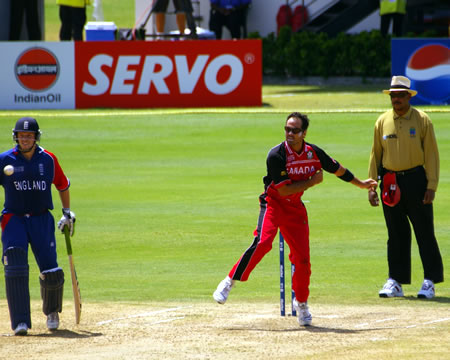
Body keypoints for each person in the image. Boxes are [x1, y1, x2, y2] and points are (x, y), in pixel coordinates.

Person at [213, 112, 377, 326]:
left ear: (304, 133)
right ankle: (229, 281)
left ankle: (301, 304)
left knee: (302, 260)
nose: (290, 133)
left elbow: (338, 170)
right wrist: (312, 182)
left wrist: (362, 184)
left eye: (295, 130)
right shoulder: (276, 155)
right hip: (273, 203)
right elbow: (284, 191)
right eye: (287, 129)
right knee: (263, 242)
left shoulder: (313, 152)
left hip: (295, 210)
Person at [368, 76, 443, 299]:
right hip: (390, 182)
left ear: (408, 97)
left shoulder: (422, 120)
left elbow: (431, 155)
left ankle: (430, 280)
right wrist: (372, 185)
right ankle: (396, 281)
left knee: (424, 231)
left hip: (416, 180)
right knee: (396, 233)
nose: (396, 99)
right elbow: (375, 155)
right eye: (393, 95)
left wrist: (431, 185)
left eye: (400, 95)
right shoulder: (382, 121)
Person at [0, 117, 76, 336]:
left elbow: (62, 185)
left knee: (51, 270)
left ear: (36, 137)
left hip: (41, 218)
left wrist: (66, 212)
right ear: (16, 137)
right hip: (13, 219)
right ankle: (20, 322)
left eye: (29, 136)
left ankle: (52, 312)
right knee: (14, 263)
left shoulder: (49, 159)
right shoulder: (5, 159)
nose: (25, 139)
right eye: (21, 136)